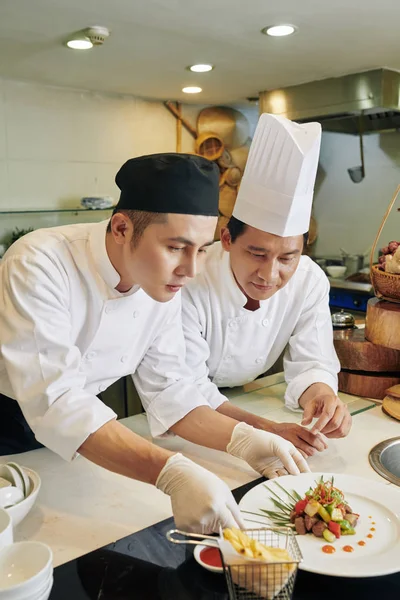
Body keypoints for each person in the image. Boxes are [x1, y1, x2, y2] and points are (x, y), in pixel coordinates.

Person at [0, 152, 308, 534]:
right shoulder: (39, 263)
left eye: (200, 249)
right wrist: (170, 472)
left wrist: (244, 440)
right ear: (121, 228)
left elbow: (169, 390)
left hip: (85, 434)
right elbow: (56, 400)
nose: (191, 270)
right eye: (176, 247)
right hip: (7, 423)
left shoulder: (162, 284)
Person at [181, 114, 352, 460]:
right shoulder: (190, 278)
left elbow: (312, 361)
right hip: (185, 422)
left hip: (245, 401)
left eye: (288, 257)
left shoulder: (308, 280)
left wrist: (321, 395)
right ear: (227, 239)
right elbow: (186, 390)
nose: (269, 274)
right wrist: (266, 430)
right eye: (257, 253)